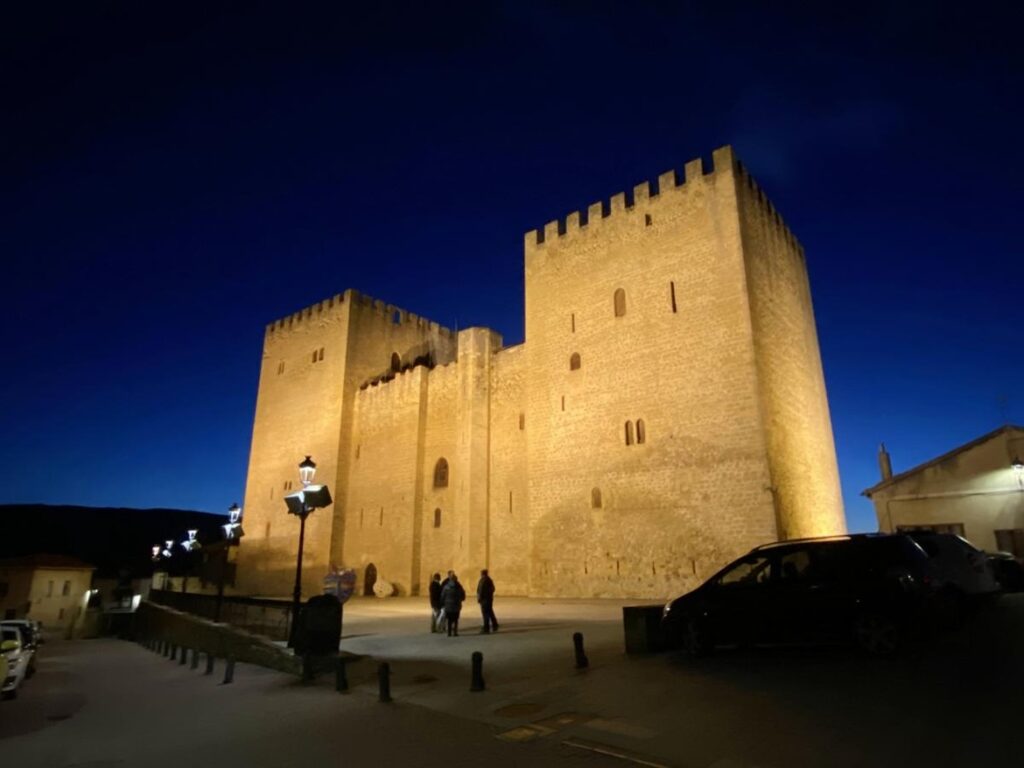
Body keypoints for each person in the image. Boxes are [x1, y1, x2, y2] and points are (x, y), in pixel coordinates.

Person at [476, 569, 498, 633]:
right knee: (490, 612)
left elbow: (480, 590)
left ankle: (486, 627)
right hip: (488, 599)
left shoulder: (483, 580)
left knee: (485, 613)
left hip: (485, 600)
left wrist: (480, 598)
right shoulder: (488, 580)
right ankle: (495, 625)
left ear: (482, 574)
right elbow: (493, 589)